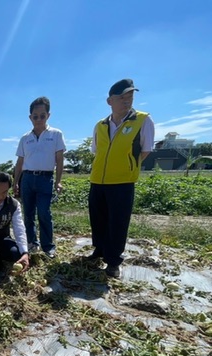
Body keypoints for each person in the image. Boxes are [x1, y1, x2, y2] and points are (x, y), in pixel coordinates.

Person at [86, 78, 155, 278]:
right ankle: (99, 250)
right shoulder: (100, 125)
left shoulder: (142, 120)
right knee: (98, 219)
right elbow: (96, 151)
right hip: (98, 179)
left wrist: (126, 166)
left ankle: (114, 261)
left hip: (122, 182)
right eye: (122, 97)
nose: (127, 101)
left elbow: (145, 151)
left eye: (130, 96)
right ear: (110, 101)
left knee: (118, 222)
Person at [13, 97, 66, 258]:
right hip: (27, 179)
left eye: (42, 116)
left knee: (44, 212)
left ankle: (48, 246)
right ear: (30, 117)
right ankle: (31, 243)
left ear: (48, 116)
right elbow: (20, 162)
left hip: (45, 178)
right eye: (35, 116)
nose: (38, 119)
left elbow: (59, 159)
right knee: (28, 214)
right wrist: (15, 182)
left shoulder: (56, 134)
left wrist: (58, 181)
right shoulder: (25, 138)